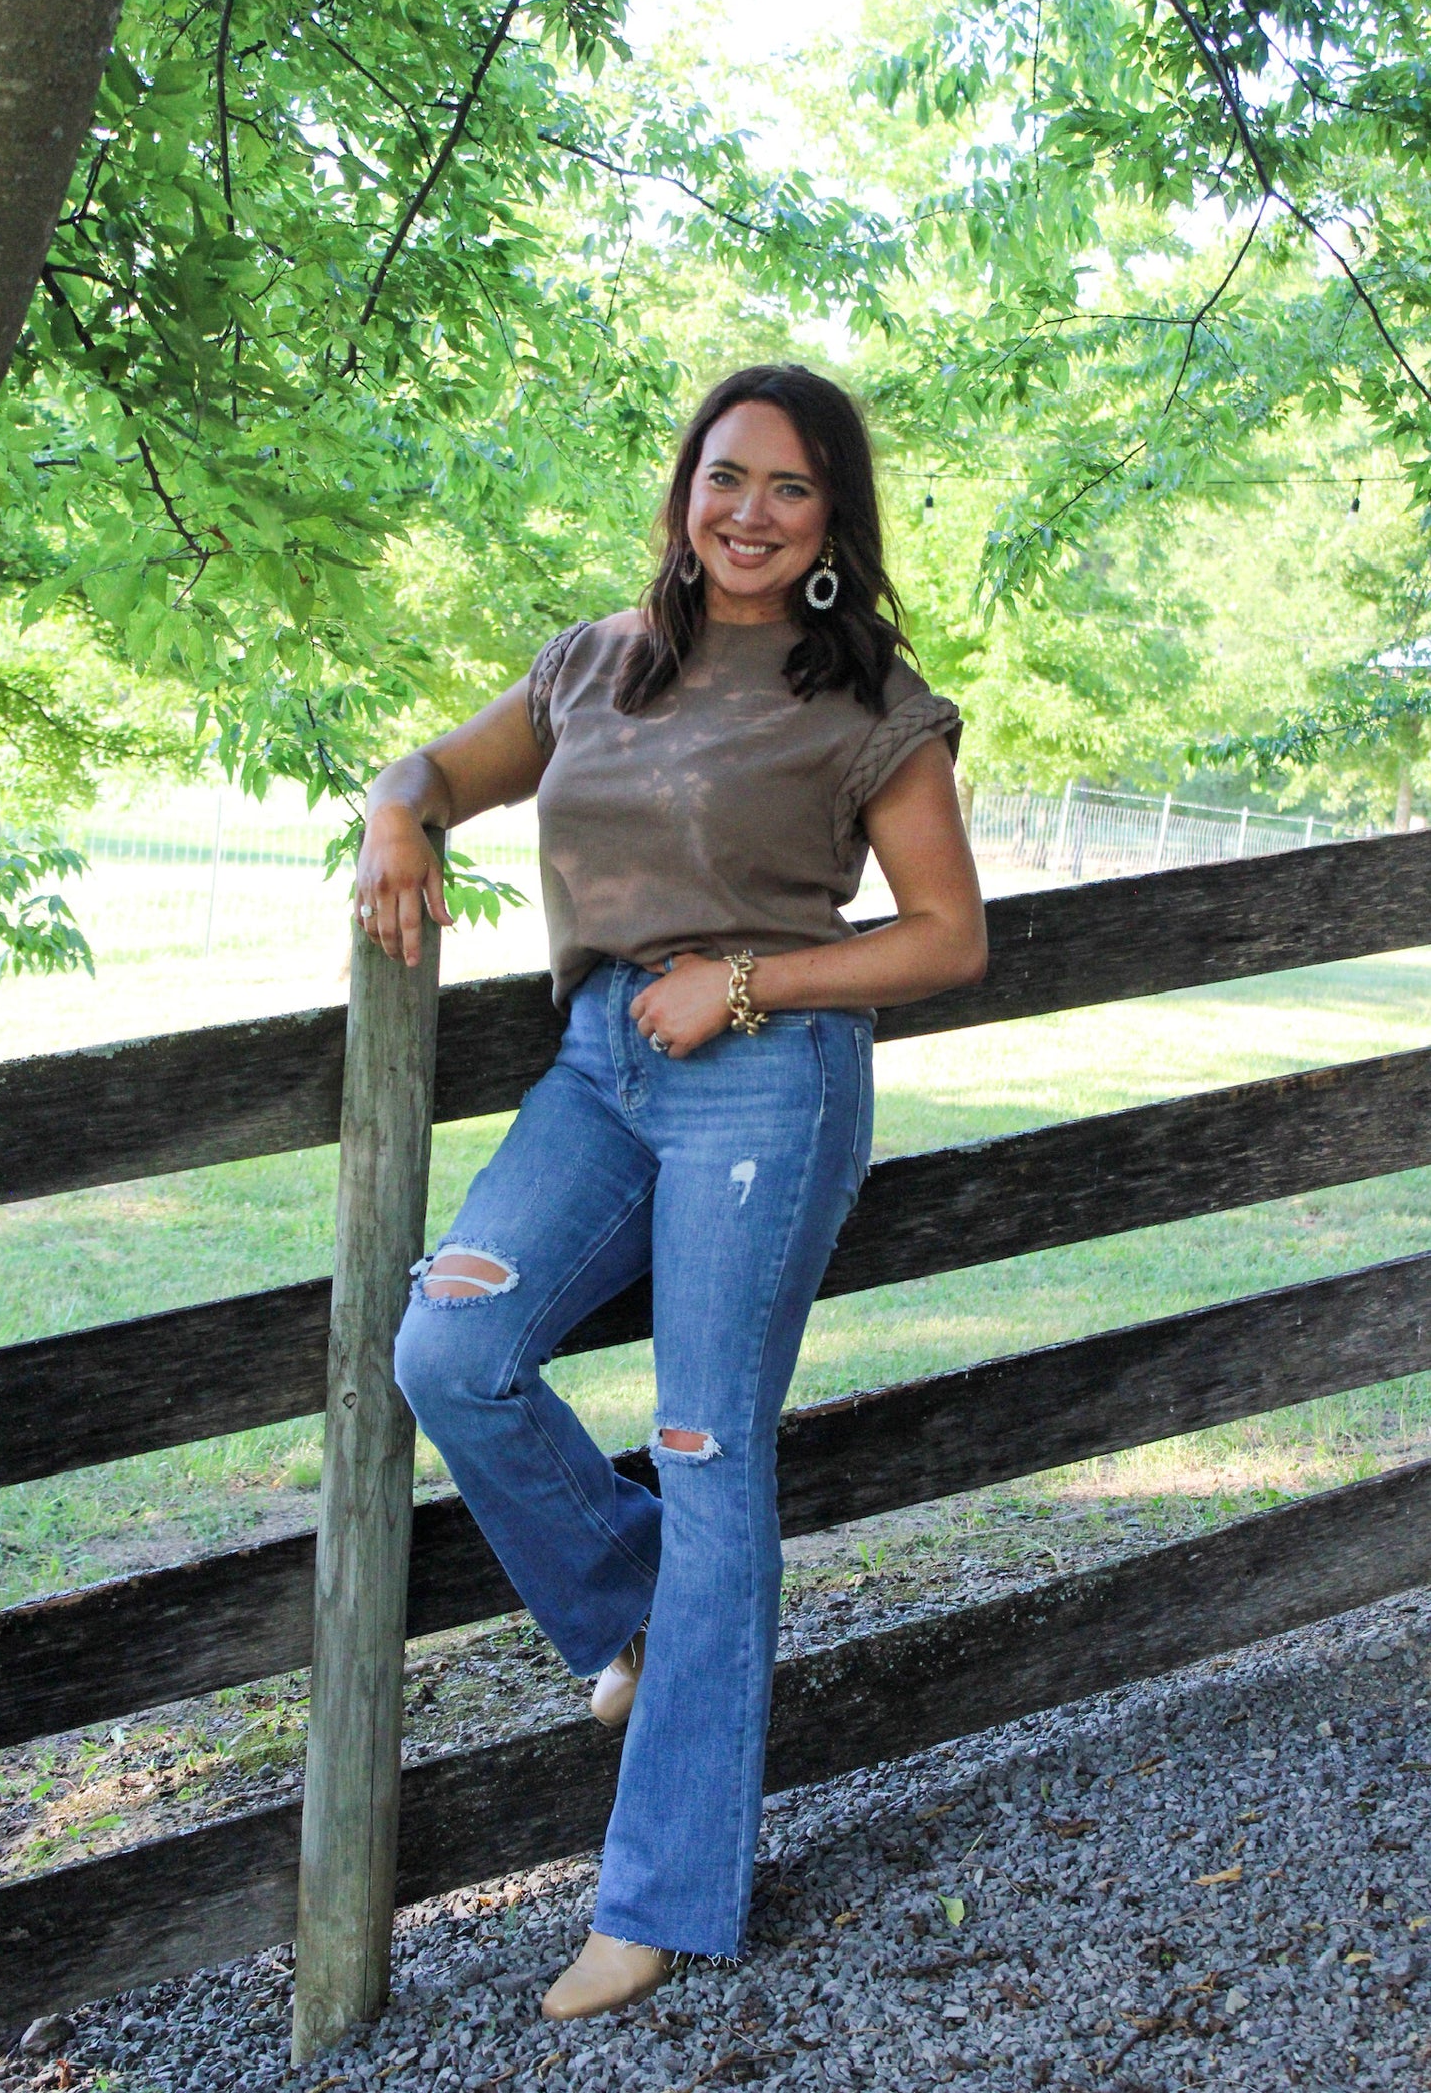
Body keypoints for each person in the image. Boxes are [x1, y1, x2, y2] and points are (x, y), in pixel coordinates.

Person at [357, 363, 987, 2020]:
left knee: (713, 1455)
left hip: (764, 1083)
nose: (751, 513)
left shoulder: (864, 698)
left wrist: (756, 984)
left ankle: (659, 1898)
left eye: (788, 487)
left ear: (831, 516)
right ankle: (645, 1614)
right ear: (683, 490)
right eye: (726, 478)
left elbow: (944, 935)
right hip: (597, 1065)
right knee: (450, 1352)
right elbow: (435, 766)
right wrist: (392, 815)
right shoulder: (596, 665)